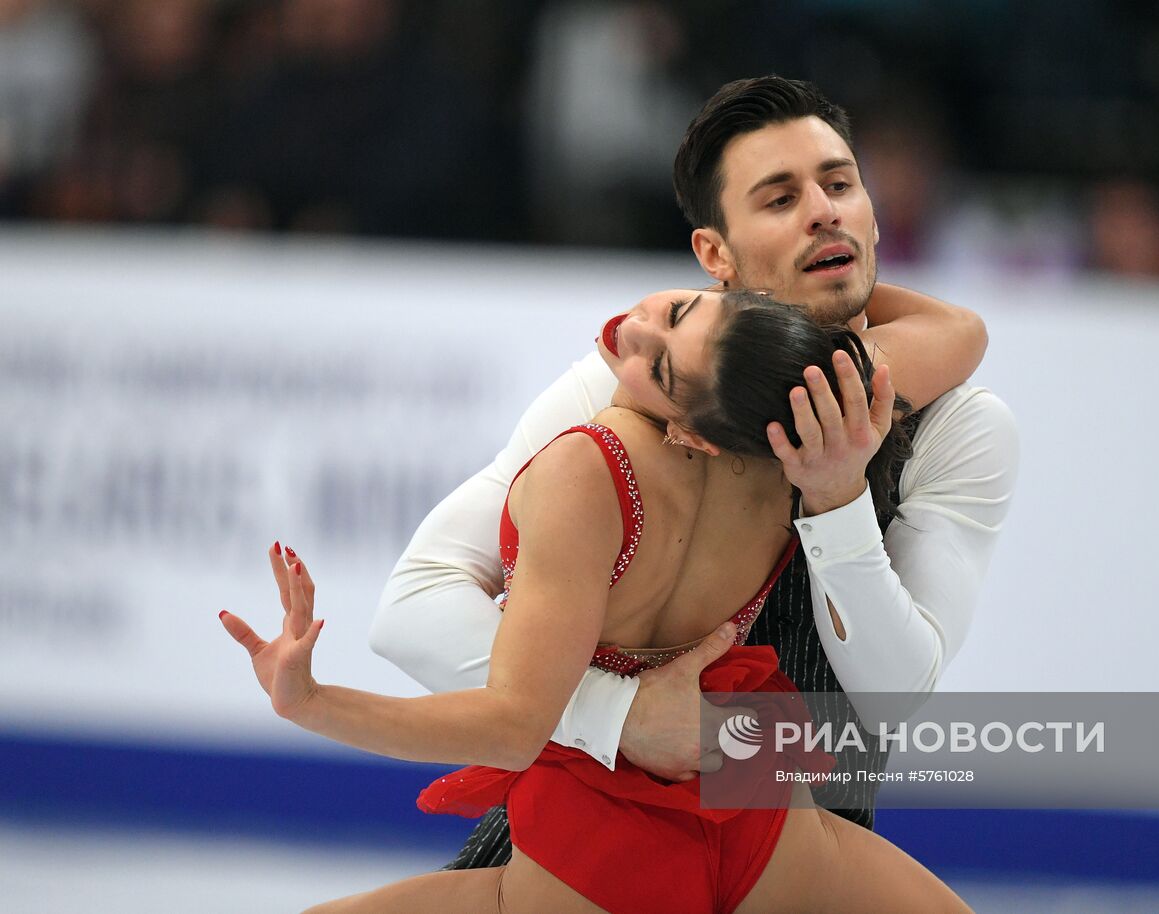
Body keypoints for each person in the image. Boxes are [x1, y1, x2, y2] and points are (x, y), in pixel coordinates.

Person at [370, 76, 1019, 868]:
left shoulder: (959, 424)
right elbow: (412, 605)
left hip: (799, 853)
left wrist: (837, 498)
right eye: (779, 200)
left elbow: (894, 698)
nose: (824, 210)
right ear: (714, 255)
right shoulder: (627, 391)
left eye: (841, 184)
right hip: (588, 834)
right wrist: (623, 714)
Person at [222, 288, 974, 912]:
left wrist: (313, 703)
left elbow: (514, 727)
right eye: (677, 311)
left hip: (602, 846)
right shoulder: (798, 443)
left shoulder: (586, 472)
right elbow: (960, 333)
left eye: (659, 364)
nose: (633, 330)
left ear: (693, 435)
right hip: (760, 809)